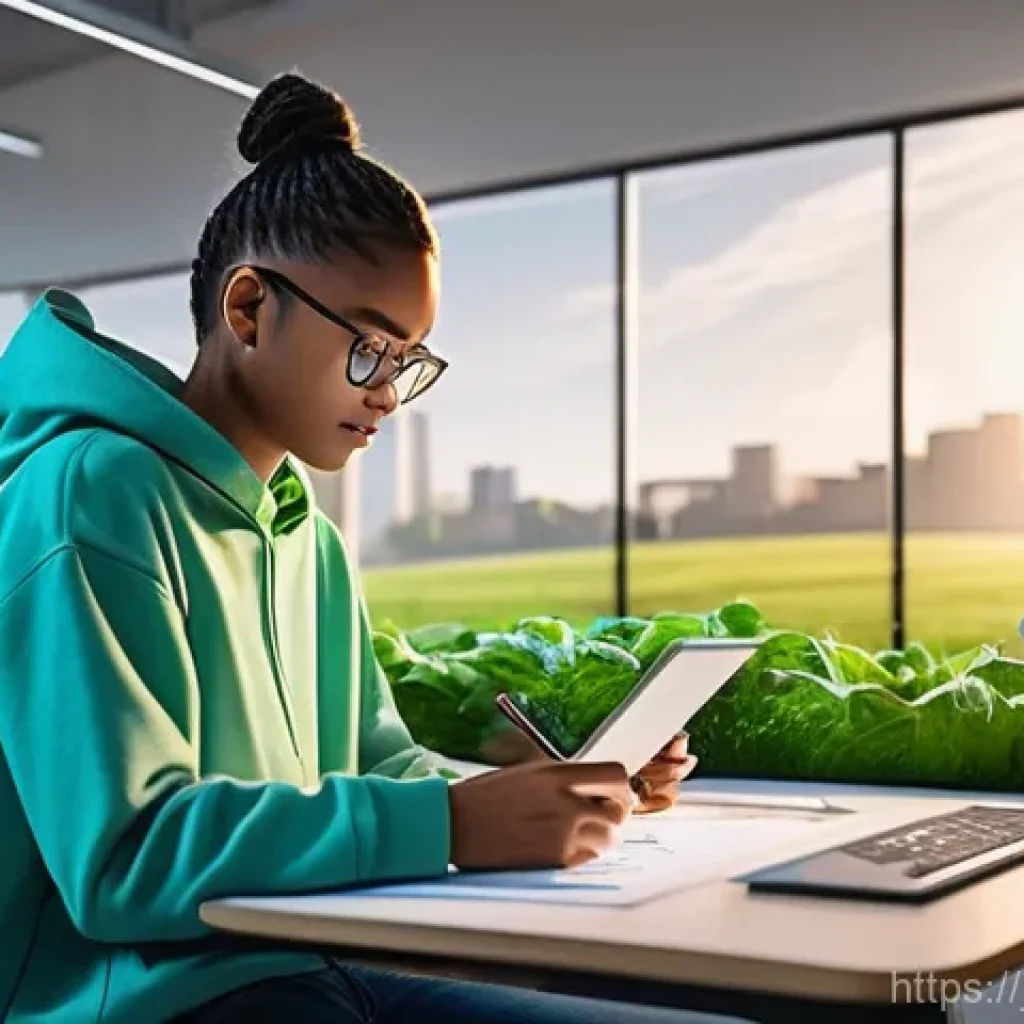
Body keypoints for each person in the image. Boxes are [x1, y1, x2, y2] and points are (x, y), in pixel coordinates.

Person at [0, 73, 744, 1024]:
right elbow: (128, 858)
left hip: (314, 963)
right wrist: (450, 825)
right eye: (370, 350)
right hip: (156, 1005)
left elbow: (382, 770)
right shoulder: (93, 493)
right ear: (247, 309)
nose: (388, 392)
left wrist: (554, 794)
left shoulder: (306, 535)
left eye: (409, 361)